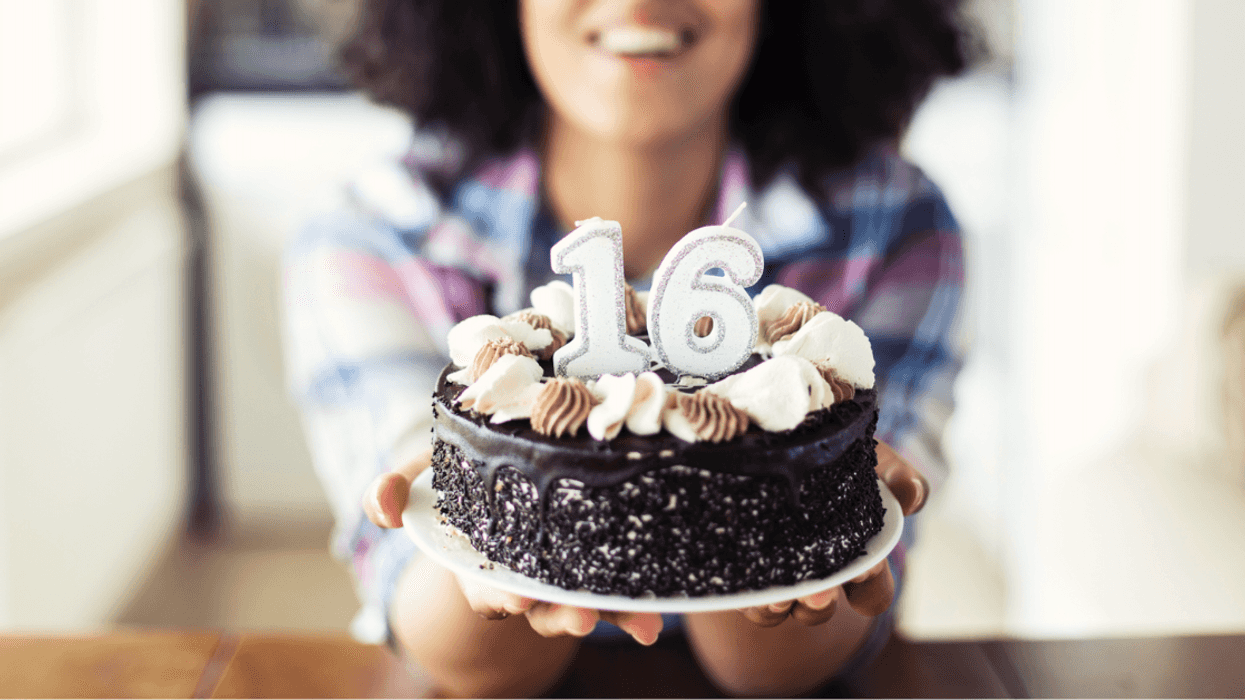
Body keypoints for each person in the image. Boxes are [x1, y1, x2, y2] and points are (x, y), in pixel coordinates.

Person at [283, 0, 971, 695]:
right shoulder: (376, 231)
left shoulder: (896, 227)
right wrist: (491, 513)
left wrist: (789, 498)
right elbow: (462, 657)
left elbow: (783, 670)